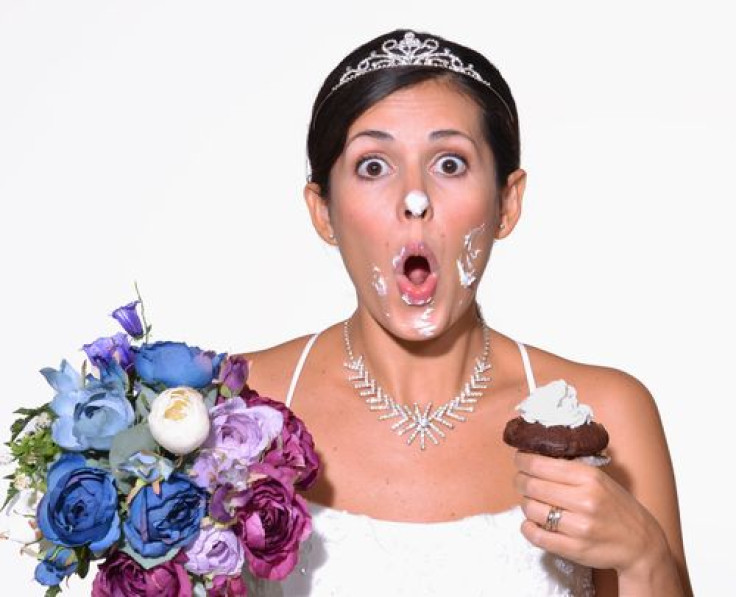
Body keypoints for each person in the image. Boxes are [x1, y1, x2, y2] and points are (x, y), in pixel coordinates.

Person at [243, 29, 692, 596]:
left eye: (450, 163)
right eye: (373, 166)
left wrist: (644, 558)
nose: (415, 198)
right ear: (323, 211)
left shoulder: (610, 414)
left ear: (507, 202)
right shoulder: (235, 408)